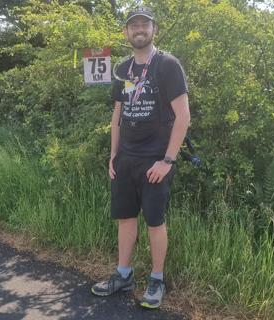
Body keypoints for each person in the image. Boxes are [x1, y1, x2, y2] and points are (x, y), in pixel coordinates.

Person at [90, 6, 190, 309]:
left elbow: (183, 117)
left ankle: (156, 279)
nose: (139, 30)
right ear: (126, 32)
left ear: (154, 29)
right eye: (133, 25)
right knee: (125, 219)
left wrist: (168, 160)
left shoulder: (168, 65)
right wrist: (114, 155)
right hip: (126, 159)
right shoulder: (122, 68)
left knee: (155, 222)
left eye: (144, 24)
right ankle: (123, 275)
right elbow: (117, 115)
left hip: (156, 161)